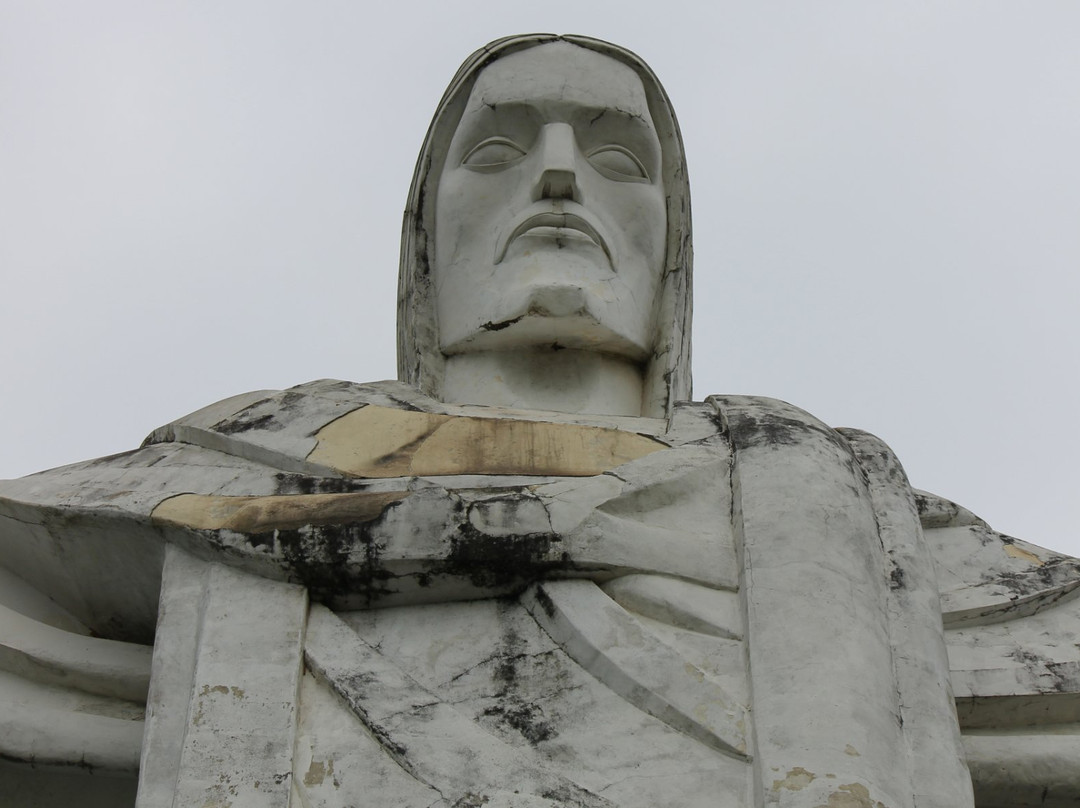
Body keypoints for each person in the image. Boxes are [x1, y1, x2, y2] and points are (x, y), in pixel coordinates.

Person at [2, 34, 1078, 808]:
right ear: (426, 245)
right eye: (496, 152)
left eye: (618, 161)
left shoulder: (820, 489)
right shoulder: (249, 458)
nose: (559, 176)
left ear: (671, 242)